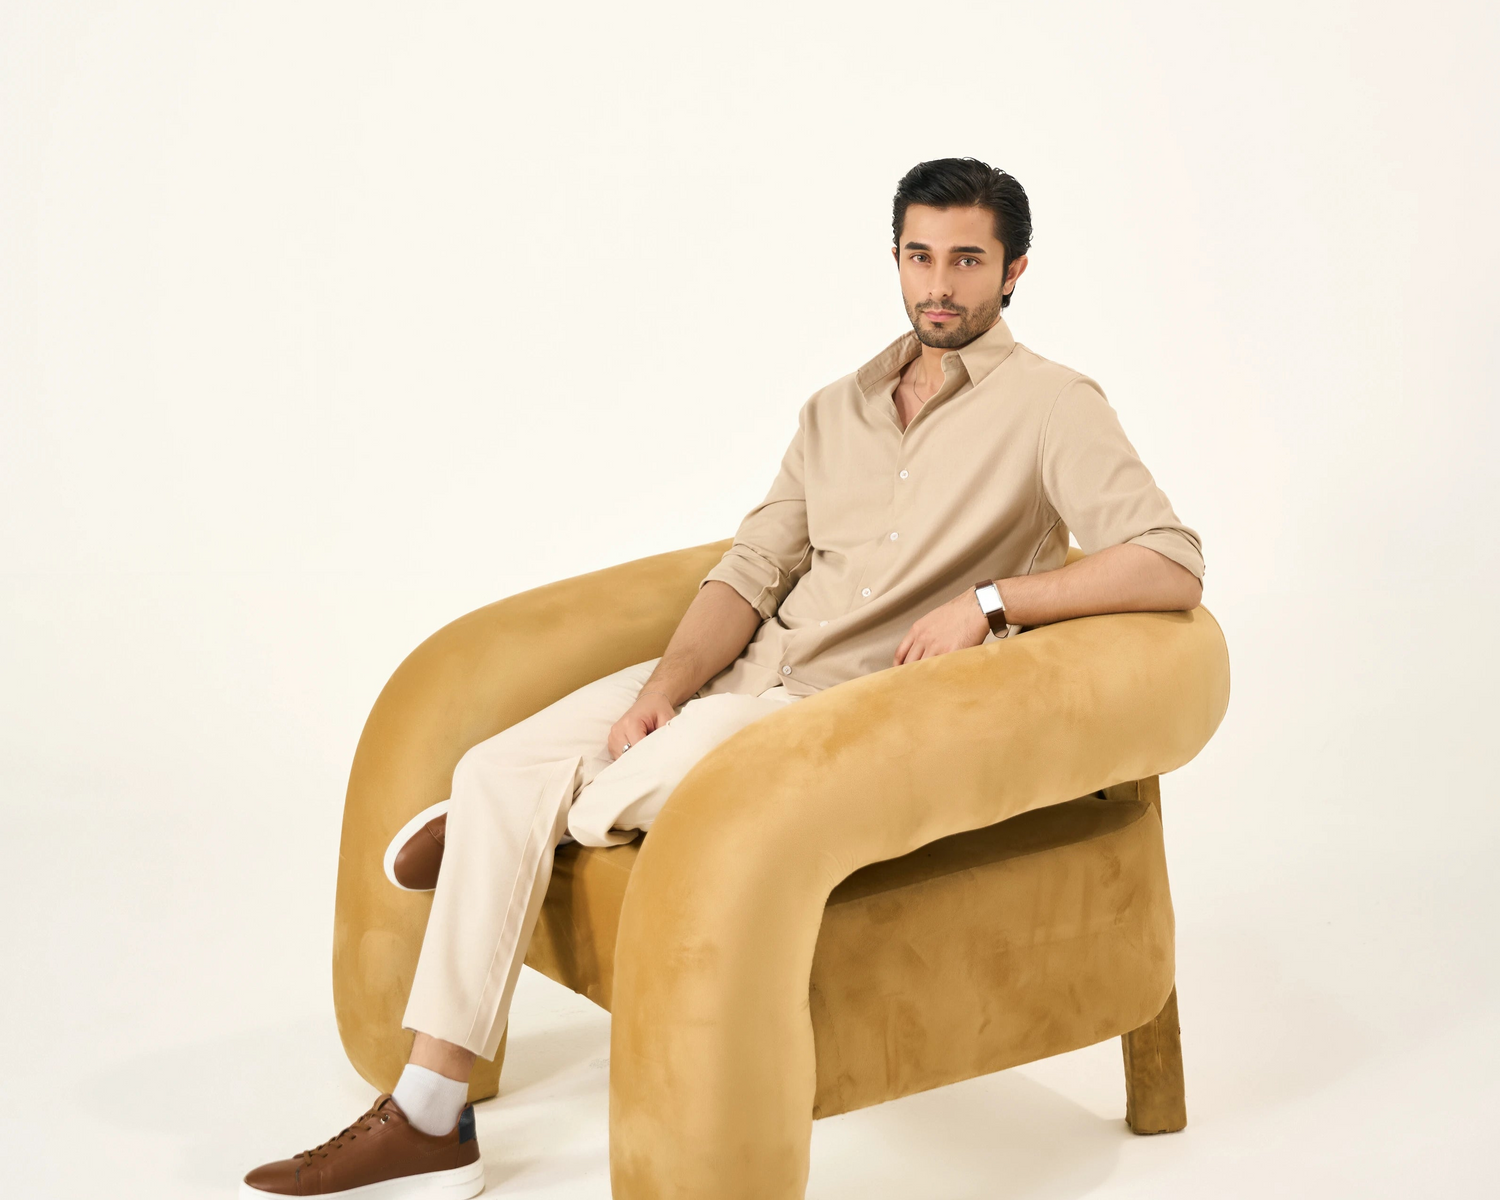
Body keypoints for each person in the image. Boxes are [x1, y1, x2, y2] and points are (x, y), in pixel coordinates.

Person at [240, 156, 1204, 1198]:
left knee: (628, 785)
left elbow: (1170, 561)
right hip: (746, 671)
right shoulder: (835, 410)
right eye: (920, 256)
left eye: (967, 260)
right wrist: (664, 688)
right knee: (489, 769)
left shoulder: (1054, 405)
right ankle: (432, 1114)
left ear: (1014, 270)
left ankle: (512, 828)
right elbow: (751, 571)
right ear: (894, 257)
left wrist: (990, 603)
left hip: (838, 717)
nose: (939, 284)